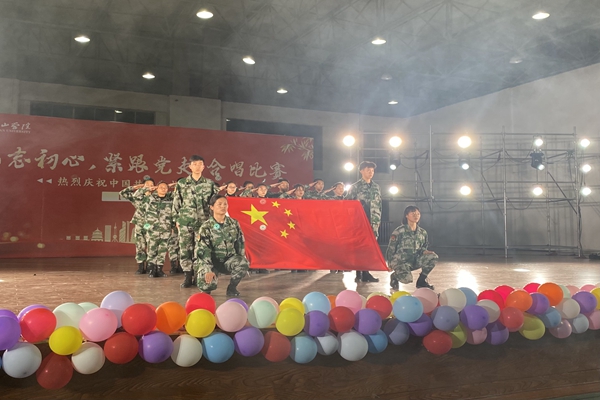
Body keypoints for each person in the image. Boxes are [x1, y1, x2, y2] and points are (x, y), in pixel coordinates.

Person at [172, 155, 218, 288]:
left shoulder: (210, 184)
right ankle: (187, 276)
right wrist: (176, 219)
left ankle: (198, 276)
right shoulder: (182, 183)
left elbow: (214, 204)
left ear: (204, 167)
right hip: (185, 221)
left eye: (200, 164)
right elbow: (177, 201)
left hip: (203, 222)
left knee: (201, 250)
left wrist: (213, 221)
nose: (197, 166)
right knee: (185, 249)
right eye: (195, 164)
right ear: (190, 166)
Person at [195, 195, 250, 297]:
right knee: (207, 286)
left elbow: (240, 242)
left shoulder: (233, 223)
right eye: (219, 204)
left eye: (225, 204)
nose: (223, 206)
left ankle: (232, 288)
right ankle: (206, 287)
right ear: (212, 207)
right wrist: (208, 269)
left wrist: (241, 262)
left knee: (243, 263)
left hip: (228, 261)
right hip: (212, 262)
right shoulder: (206, 227)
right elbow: (203, 250)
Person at [345, 161, 381, 283]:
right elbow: (346, 202)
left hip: (373, 221)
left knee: (369, 248)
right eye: (368, 170)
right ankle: (359, 272)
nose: (371, 172)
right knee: (359, 247)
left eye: (372, 170)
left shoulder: (376, 187)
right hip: (359, 222)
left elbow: (379, 204)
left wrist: (378, 220)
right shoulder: (355, 187)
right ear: (361, 171)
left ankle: (365, 272)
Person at [386, 206, 437, 290]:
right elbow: (391, 248)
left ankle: (421, 281)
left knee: (433, 257)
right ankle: (395, 276)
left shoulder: (422, 232)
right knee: (407, 279)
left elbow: (423, 247)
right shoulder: (399, 231)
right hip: (401, 262)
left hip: (415, 260)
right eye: (413, 213)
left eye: (418, 214)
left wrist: (424, 251)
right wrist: (390, 264)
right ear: (406, 215)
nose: (416, 215)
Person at [139, 181, 175, 278]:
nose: (163, 189)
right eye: (161, 187)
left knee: (162, 251)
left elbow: (173, 215)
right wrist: (148, 189)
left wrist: (172, 227)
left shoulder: (170, 200)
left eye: (165, 188)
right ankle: (151, 270)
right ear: (156, 188)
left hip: (165, 230)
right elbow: (137, 196)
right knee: (152, 250)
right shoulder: (150, 199)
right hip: (152, 230)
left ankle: (159, 270)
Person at [119, 176, 154, 274]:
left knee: (152, 245)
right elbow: (122, 193)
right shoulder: (137, 197)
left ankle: (150, 266)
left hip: (152, 225)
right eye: (147, 184)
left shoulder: (156, 197)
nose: (149, 186)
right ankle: (141, 266)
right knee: (140, 245)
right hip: (140, 224)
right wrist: (135, 187)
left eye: (151, 185)